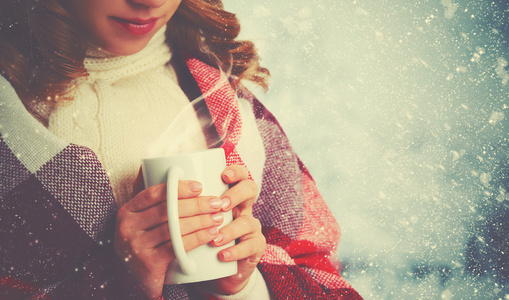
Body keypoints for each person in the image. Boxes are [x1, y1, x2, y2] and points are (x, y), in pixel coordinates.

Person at [0, 0, 362, 299]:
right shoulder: (11, 117)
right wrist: (116, 286)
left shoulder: (231, 103)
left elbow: (322, 274)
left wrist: (245, 287)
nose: (151, 2)